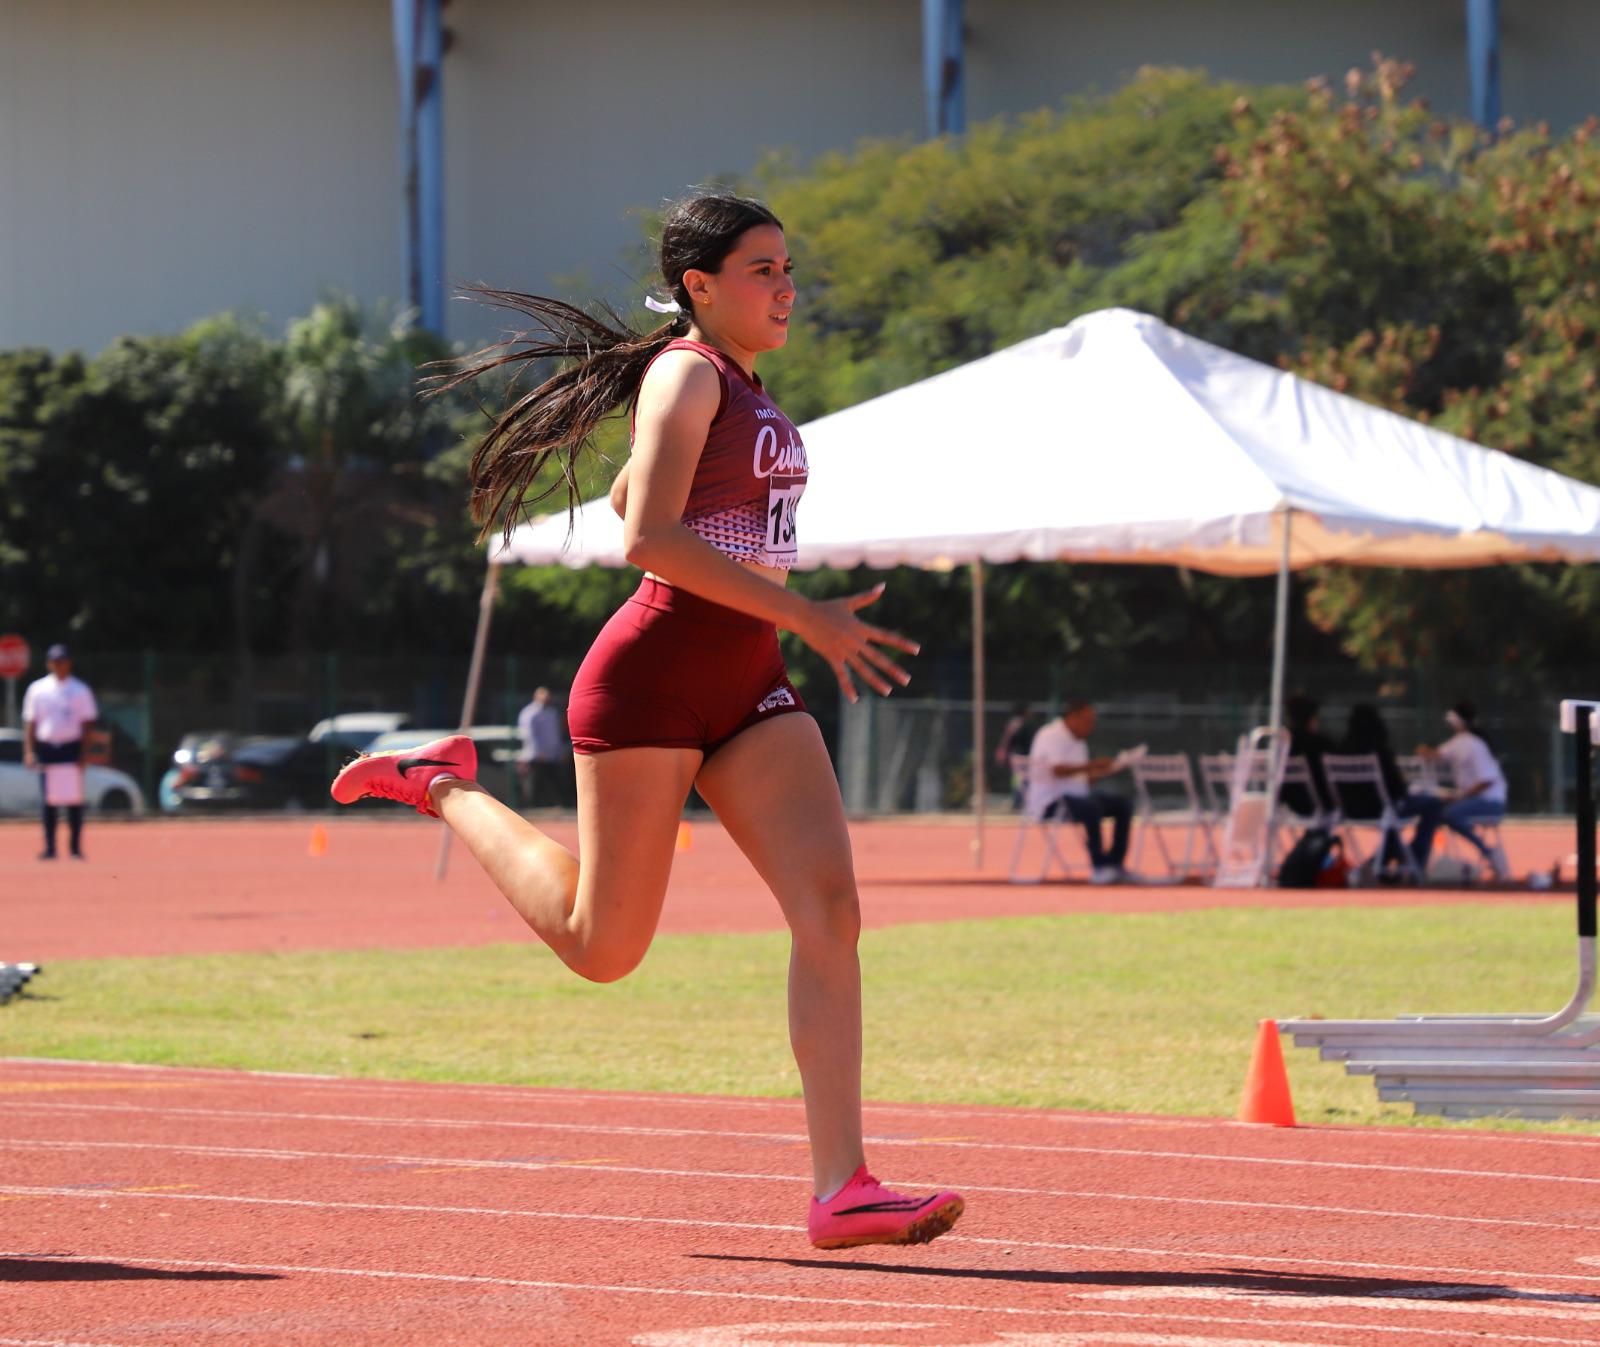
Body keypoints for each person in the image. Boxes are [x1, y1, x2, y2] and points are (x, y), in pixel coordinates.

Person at [329, 193, 963, 1250]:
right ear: (701, 287)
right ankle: (442, 783)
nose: (787, 287)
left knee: (832, 913)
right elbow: (649, 541)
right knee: (601, 948)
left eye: (788, 267)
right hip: (653, 682)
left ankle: (841, 1188)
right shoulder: (684, 372)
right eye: (762, 270)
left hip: (748, 688)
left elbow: (634, 496)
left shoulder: (736, 386)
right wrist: (803, 612)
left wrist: (770, 610)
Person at [1024, 699, 1133, 884]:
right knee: (1091, 808)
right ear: (1073, 717)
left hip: (1077, 798)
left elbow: (1082, 779)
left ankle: (1114, 864)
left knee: (1122, 804)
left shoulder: (1079, 742)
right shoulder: (1051, 735)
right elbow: (1057, 770)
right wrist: (1091, 765)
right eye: (1087, 720)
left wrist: (1104, 770)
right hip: (1051, 802)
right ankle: (1099, 866)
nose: (1091, 726)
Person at [1337, 703, 1443, 879]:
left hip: (1350, 811)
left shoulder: (1341, 751)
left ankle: (1387, 858)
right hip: (1382, 809)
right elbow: (1398, 790)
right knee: (1432, 803)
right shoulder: (1380, 751)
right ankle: (1415, 860)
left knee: (1395, 817)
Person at [21, 643, 97, 861]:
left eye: (62, 661)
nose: (59, 665)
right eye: (55, 661)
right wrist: (29, 751)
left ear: (69, 663)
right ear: (48, 664)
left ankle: (74, 848)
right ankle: (50, 848)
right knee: (49, 801)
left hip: (70, 747)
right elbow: (31, 723)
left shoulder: (80, 690)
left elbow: (87, 725)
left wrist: (85, 753)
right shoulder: (38, 689)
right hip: (47, 748)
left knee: (74, 801)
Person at [1418, 700, 1509, 879]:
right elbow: (1437, 755)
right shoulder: (1459, 742)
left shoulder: (1475, 745)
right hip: (1475, 800)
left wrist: (1461, 797)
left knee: (1449, 814)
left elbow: (1487, 781)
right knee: (1433, 812)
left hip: (1490, 802)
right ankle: (1419, 862)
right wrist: (1423, 750)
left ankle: (1487, 851)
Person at [1279, 693, 1335, 820]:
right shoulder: (1320, 744)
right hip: (1319, 802)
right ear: (1312, 718)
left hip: (1289, 801)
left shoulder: (1282, 745)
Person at [516, 687, 569, 808]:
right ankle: (533, 806)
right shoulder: (529, 713)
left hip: (551, 755)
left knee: (554, 780)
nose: (546, 700)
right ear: (536, 697)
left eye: (547, 698)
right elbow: (529, 734)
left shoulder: (552, 713)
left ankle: (556, 804)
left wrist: (558, 752)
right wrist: (539, 752)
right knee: (535, 781)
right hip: (535, 755)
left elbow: (555, 735)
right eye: (543, 698)